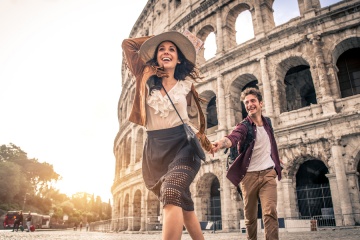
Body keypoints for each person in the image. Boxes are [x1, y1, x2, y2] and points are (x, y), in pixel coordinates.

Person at [122, 30, 211, 240]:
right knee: (185, 205)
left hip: (183, 146)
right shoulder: (143, 76)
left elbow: (191, 119)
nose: (166, 51)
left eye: (172, 49)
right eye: (161, 49)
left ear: (179, 59)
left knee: (171, 193)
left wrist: (206, 141)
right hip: (155, 149)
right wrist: (155, 41)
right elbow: (127, 44)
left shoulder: (186, 85)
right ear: (155, 56)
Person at [211, 87, 282, 240]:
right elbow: (233, 137)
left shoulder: (268, 122)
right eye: (247, 102)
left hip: (268, 173)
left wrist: (276, 159)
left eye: (253, 101)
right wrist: (221, 143)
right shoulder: (244, 125)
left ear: (260, 103)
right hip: (248, 176)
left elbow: (270, 142)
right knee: (250, 218)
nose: (250, 104)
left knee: (270, 212)